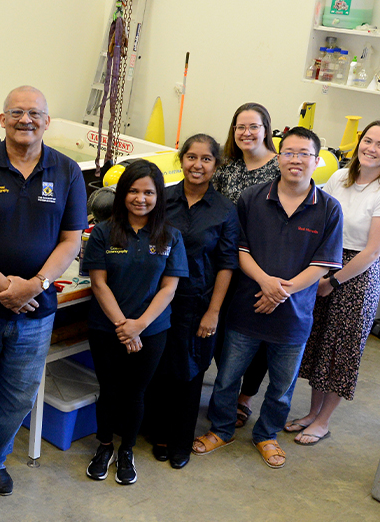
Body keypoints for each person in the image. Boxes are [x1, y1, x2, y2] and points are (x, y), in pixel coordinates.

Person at [0, 85, 87, 497]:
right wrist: (3, 286)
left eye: (35, 113)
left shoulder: (67, 171)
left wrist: (36, 285)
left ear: (47, 121)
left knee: (19, 394)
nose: (26, 120)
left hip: (36, 311)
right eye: (17, 112)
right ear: (4, 119)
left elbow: (71, 240)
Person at [193, 127, 343, 469]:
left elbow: (322, 265)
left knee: (281, 385)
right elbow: (239, 250)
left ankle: (266, 435)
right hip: (247, 308)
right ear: (278, 158)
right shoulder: (252, 198)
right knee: (228, 376)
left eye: (304, 153)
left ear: (317, 161)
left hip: (294, 317)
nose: (296, 160)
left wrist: (281, 292)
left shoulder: (329, 209)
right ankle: (221, 429)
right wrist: (266, 283)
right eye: (289, 152)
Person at [287, 121, 380, 445]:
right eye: (368, 140)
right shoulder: (340, 177)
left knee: (340, 352)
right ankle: (312, 413)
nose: (371, 148)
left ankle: (323, 421)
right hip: (325, 265)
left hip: (353, 280)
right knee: (319, 346)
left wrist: (333, 281)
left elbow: (372, 252)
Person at [82, 160, 188, 485]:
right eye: (133, 191)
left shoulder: (171, 236)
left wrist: (139, 325)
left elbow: (169, 287)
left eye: (148, 192)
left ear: (159, 196)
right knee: (109, 390)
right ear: (122, 193)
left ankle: (126, 449)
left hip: (152, 329)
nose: (140, 198)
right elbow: (98, 283)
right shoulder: (102, 232)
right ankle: (104, 446)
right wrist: (122, 325)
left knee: (135, 393)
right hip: (106, 328)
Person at [146, 134, 238, 470]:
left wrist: (213, 312)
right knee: (158, 368)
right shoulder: (162, 199)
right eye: (191, 157)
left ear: (216, 165)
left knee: (190, 372)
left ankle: (181, 440)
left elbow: (228, 264)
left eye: (206, 159)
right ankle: (160, 434)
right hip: (158, 299)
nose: (197, 165)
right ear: (181, 159)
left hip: (199, 303)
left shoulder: (225, 210)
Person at [211, 102, 280, 429]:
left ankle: (245, 397)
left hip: (261, 264)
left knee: (255, 336)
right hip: (225, 261)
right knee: (223, 332)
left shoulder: (281, 168)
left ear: (266, 129)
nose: (247, 133)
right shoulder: (226, 168)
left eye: (254, 126)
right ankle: (226, 390)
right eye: (240, 127)